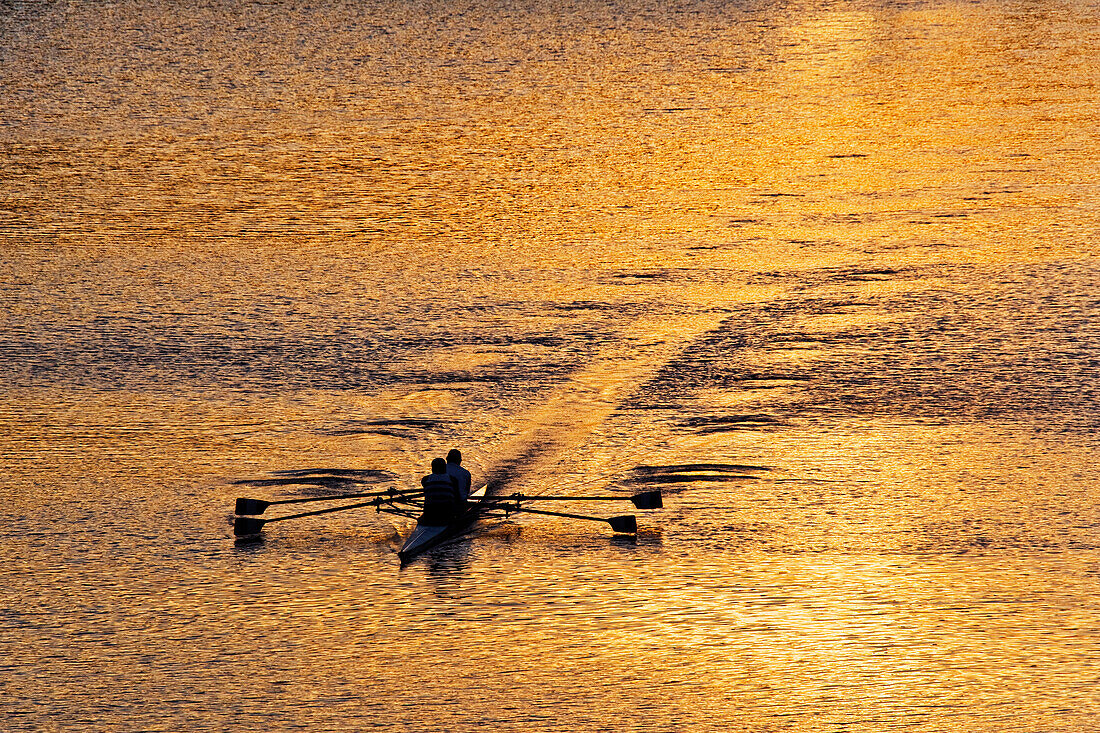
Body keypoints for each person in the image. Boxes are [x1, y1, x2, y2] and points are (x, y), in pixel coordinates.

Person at [419, 457, 461, 525]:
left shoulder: (425, 479)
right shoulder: (453, 479)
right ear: (445, 468)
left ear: (432, 468)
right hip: (446, 515)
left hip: (429, 515)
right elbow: (458, 498)